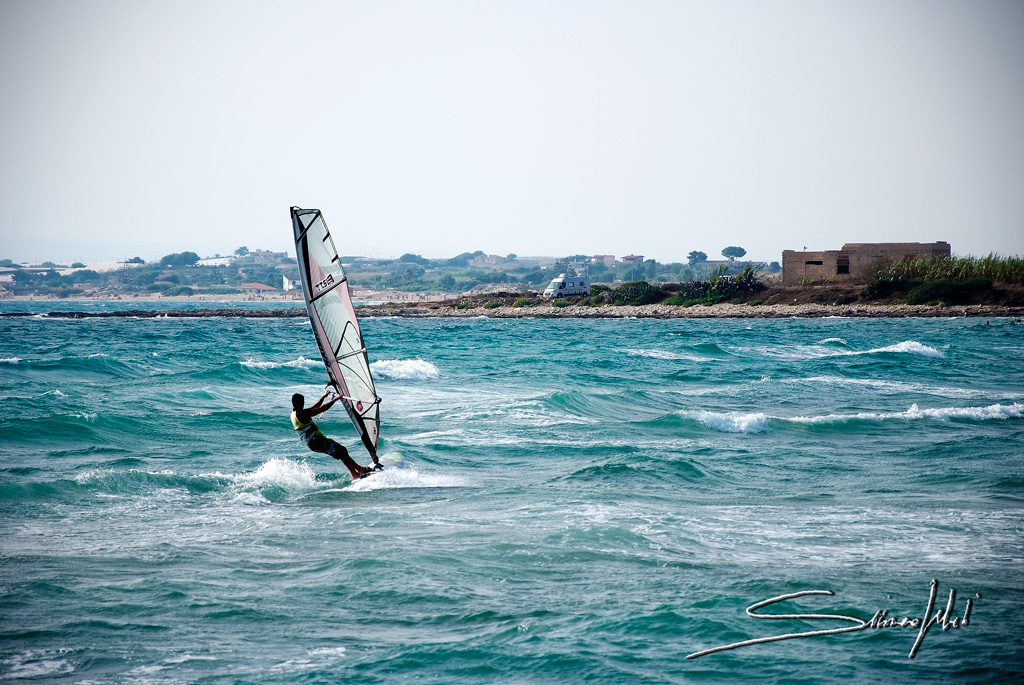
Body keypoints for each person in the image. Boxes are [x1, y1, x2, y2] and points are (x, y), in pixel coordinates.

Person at [291, 390, 371, 480]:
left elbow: (315, 407)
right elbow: (322, 408)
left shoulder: (294, 413)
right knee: (341, 451)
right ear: (300, 403)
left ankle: (359, 469)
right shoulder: (301, 414)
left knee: (342, 450)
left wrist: (324, 396)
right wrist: (336, 399)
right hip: (316, 441)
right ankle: (355, 474)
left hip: (316, 441)